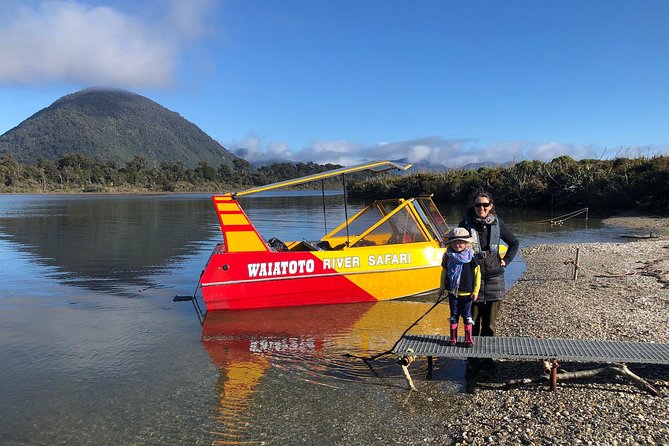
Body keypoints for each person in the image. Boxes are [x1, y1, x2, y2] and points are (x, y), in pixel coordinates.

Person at [459, 191, 519, 343]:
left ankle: (487, 360)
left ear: (491, 206)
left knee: (489, 325)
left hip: (494, 279)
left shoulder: (498, 224)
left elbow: (514, 243)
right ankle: (472, 360)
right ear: (474, 206)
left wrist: (506, 261)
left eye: (485, 205)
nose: (481, 208)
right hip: (472, 281)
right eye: (478, 205)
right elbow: (455, 248)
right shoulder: (464, 225)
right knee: (471, 322)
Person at [438, 227, 481, 347]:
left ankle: (468, 339)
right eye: (454, 242)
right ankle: (453, 338)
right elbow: (444, 272)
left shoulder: (472, 256)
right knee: (453, 316)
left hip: (467, 294)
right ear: (450, 243)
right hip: (453, 293)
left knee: (467, 317)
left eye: (461, 241)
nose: (457, 244)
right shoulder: (447, 256)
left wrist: (476, 291)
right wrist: (441, 287)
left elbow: (477, 274)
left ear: (467, 243)